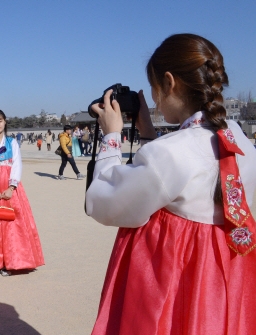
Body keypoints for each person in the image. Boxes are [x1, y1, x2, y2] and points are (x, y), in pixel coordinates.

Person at [86, 34, 256, 334]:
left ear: (169, 82)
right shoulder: (240, 141)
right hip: (225, 282)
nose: (153, 99)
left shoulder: (168, 154)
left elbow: (103, 203)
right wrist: (151, 137)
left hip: (177, 287)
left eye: (153, 88)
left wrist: (112, 137)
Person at [0, 109, 44, 277]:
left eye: (0, 120)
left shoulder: (12, 142)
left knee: (13, 223)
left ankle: (13, 262)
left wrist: (12, 187)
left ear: (5, 122)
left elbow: (17, 164)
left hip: (9, 183)